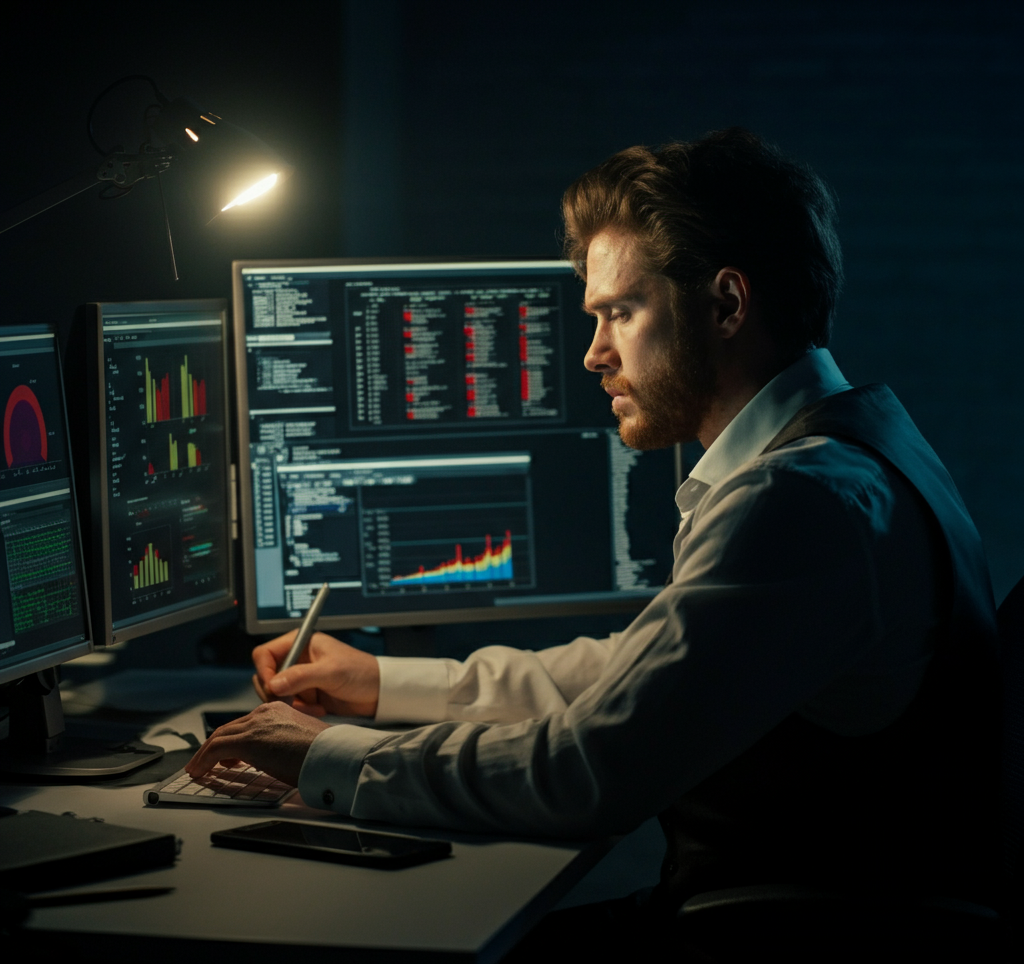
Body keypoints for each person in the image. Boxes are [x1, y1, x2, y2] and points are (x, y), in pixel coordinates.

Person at [187, 128, 998, 914]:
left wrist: (324, 754)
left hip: (790, 951)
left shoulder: (799, 501)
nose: (594, 353)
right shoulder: (857, 448)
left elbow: (586, 772)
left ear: (725, 304)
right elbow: (641, 674)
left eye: (621, 312)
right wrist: (383, 683)